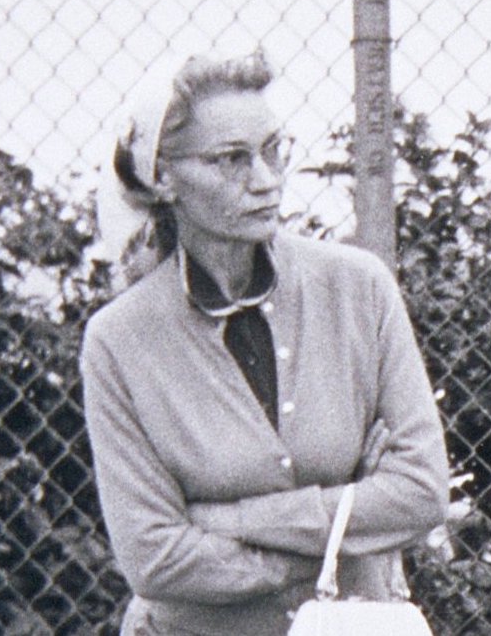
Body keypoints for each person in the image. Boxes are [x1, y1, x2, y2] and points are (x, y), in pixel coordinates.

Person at [80, 50, 450, 635]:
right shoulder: (118, 342)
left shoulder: (359, 289)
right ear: (165, 178)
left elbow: (422, 491)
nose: (265, 179)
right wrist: (342, 535)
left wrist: (230, 520)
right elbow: (154, 558)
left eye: (274, 150)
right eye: (231, 160)